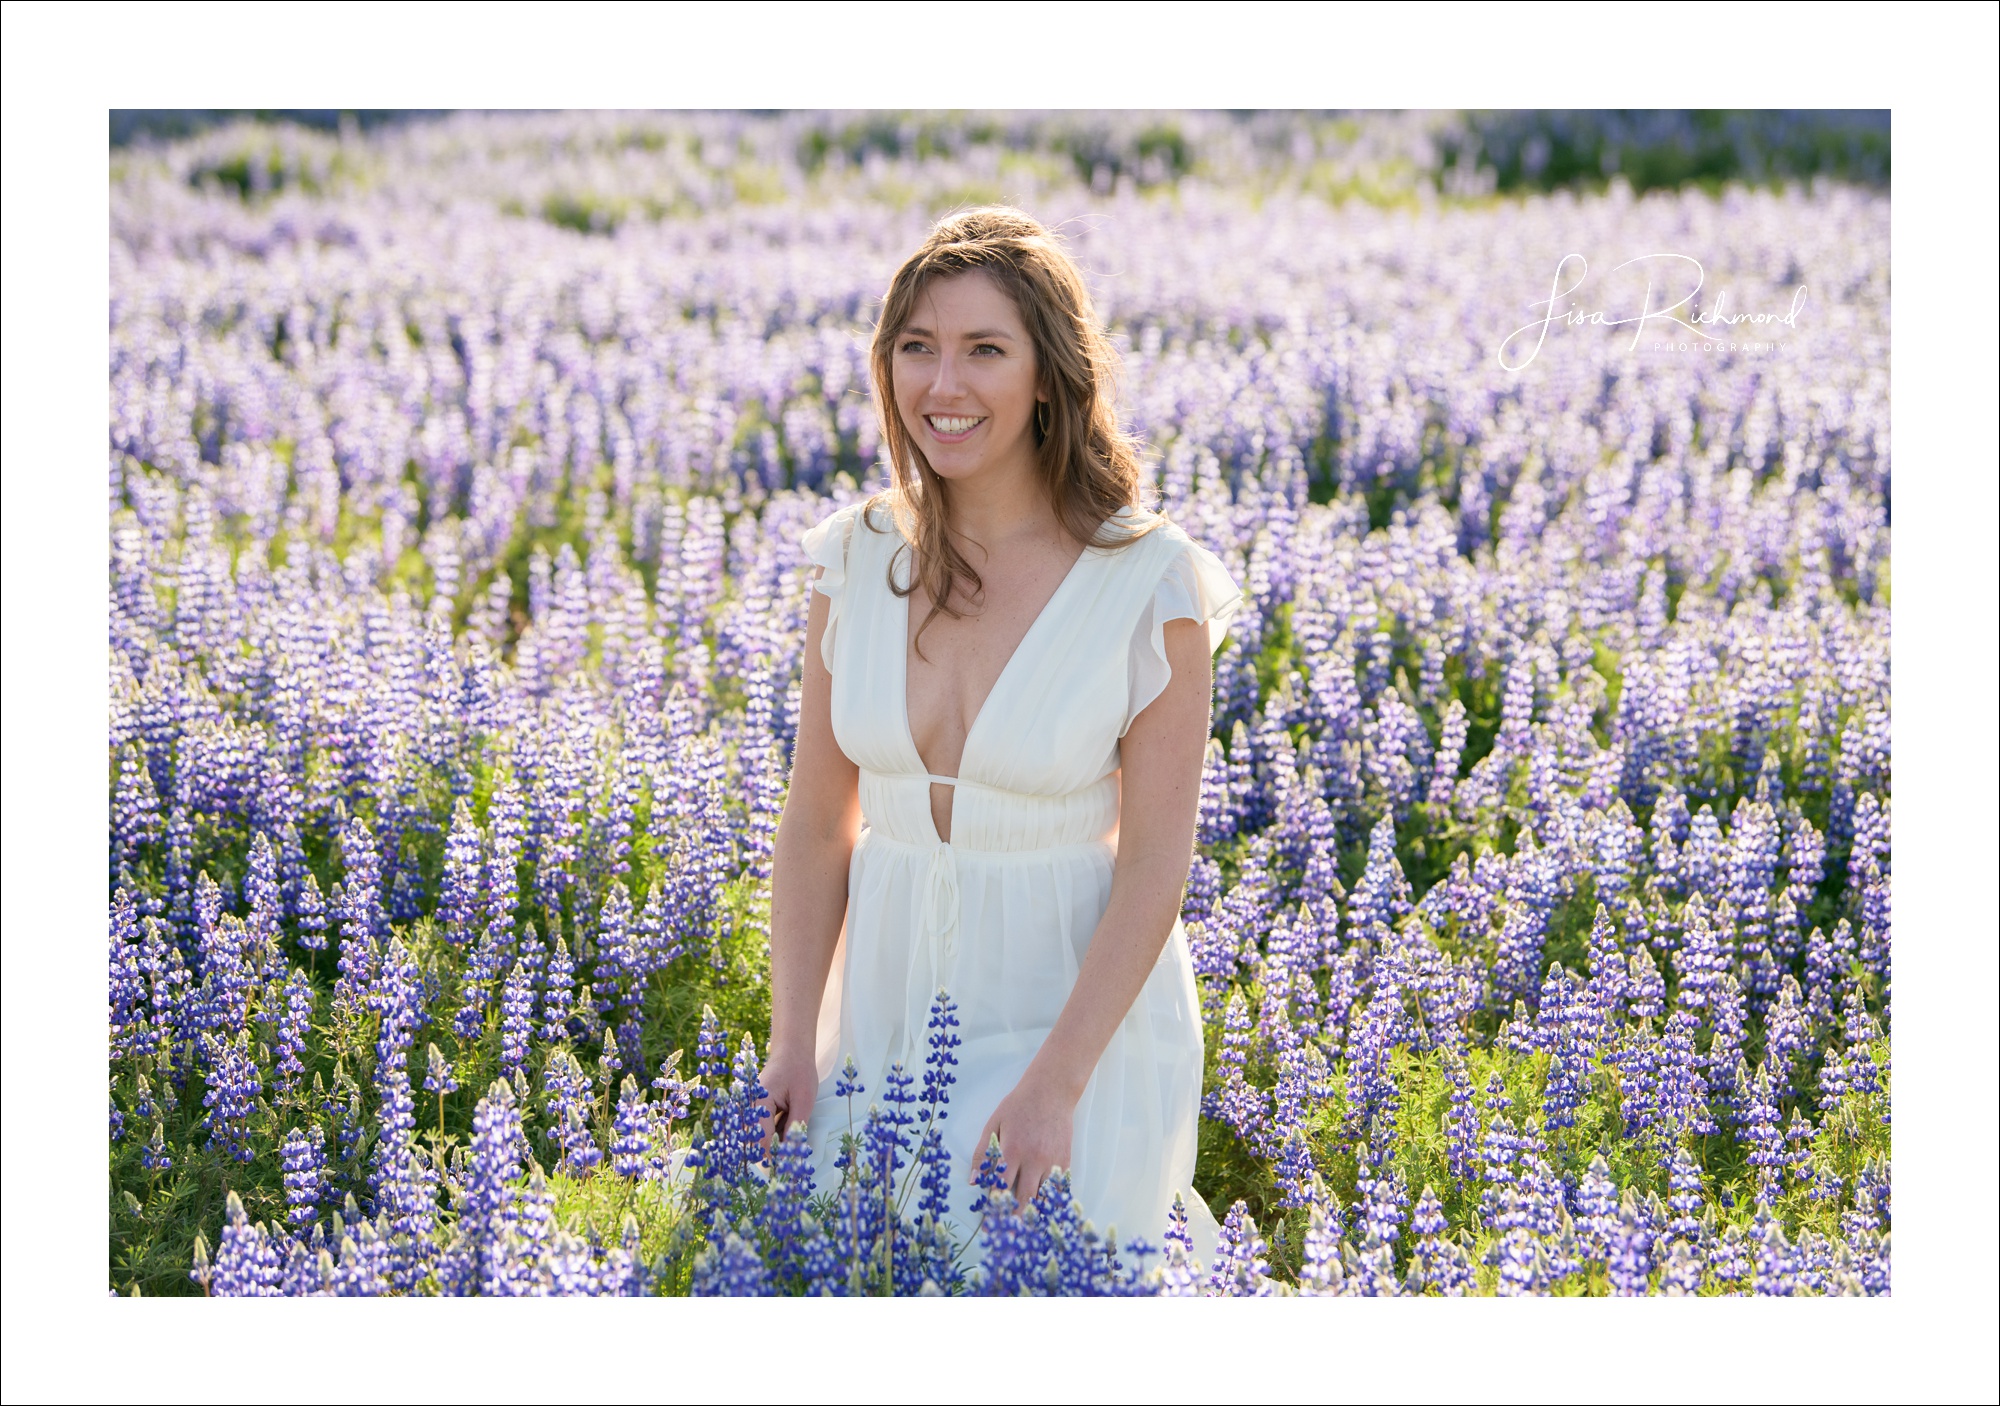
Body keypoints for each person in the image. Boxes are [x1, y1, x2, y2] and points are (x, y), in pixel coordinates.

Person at [758, 206, 1241, 1262]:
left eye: (985, 350)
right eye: (916, 349)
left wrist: (1055, 1087)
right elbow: (814, 823)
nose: (944, 385)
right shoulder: (853, 559)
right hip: (879, 1006)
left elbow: (1156, 864)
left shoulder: (1146, 581)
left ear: (1046, 376)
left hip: (1068, 1021)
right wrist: (792, 1037)